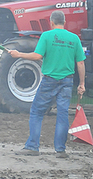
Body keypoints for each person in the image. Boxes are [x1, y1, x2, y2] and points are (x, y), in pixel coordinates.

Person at [9, 10, 86, 158]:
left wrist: (18, 54)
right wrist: (81, 83)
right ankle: (60, 150)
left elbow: (37, 56)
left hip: (49, 80)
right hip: (67, 81)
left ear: (51, 23)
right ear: (64, 23)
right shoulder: (74, 38)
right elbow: (80, 63)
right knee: (62, 114)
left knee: (37, 111)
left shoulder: (46, 36)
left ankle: (32, 146)